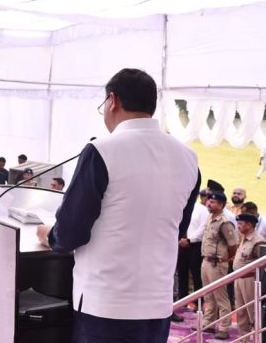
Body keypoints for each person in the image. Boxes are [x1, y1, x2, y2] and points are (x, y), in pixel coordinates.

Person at [37, 68, 200, 343]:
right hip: (157, 304)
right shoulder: (189, 158)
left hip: (106, 304)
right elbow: (177, 228)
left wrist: (47, 234)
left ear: (112, 100)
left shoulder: (101, 151)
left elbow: (70, 233)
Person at [199, 191, 238, 339]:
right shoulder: (210, 218)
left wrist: (227, 259)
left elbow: (233, 244)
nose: (208, 204)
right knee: (208, 295)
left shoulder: (224, 223)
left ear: (221, 205)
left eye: (213, 202)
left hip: (217, 263)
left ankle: (224, 327)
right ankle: (208, 323)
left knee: (221, 297)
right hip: (206, 261)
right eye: (208, 201)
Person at [233, 213, 266, 340]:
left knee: (252, 311)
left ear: (249, 225)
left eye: (240, 224)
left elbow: (263, 265)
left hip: (250, 280)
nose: (238, 226)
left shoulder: (258, 242)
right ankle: (243, 339)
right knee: (241, 311)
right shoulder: (243, 237)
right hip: (239, 279)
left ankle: (258, 338)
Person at [177, 189, 209, 305]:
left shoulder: (202, 210)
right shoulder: (179, 207)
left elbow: (203, 228)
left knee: (197, 276)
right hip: (180, 243)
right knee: (182, 274)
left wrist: (190, 240)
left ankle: (198, 303)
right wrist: (180, 239)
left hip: (195, 245)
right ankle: (182, 302)